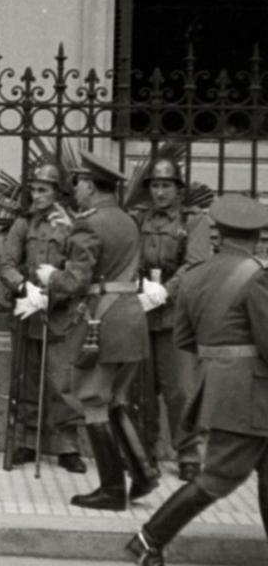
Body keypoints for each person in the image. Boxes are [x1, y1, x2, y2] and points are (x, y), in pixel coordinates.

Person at [125, 194, 268, 566]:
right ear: (256, 235)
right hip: (251, 393)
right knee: (219, 477)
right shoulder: (257, 276)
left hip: (222, 387)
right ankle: (148, 539)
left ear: (220, 233)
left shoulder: (195, 275)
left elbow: (184, 339)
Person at [38, 150, 162, 510]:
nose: (74, 189)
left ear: (91, 186)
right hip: (129, 319)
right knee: (115, 400)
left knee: (93, 401)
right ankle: (142, 474)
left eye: (78, 183)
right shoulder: (125, 219)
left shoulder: (88, 223)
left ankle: (112, 490)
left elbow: (77, 279)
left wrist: (51, 278)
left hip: (102, 323)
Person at [0, 163, 87, 473]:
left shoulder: (74, 227)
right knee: (27, 380)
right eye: (33, 189)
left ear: (58, 193)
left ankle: (67, 447)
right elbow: (6, 263)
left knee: (62, 383)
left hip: (62, 315)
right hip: (27, 313)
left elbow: (79, 270)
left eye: (43, 190)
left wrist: (52, 295)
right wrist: (22, 287)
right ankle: (26, 441)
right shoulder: (23, 225)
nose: (36, 196)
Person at [129, 156, 212, 482]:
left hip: (176, 316)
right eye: (155, 185)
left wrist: (165, 291)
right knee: (143, 390)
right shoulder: (138, 218)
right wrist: (140, 287)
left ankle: (188, 452)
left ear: (179, 189)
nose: (160, 192)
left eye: (166, 185)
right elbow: (126, 256)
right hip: (142, 313)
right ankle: (143, 451)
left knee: (180, 389)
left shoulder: (193, 221)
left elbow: (196, 264)